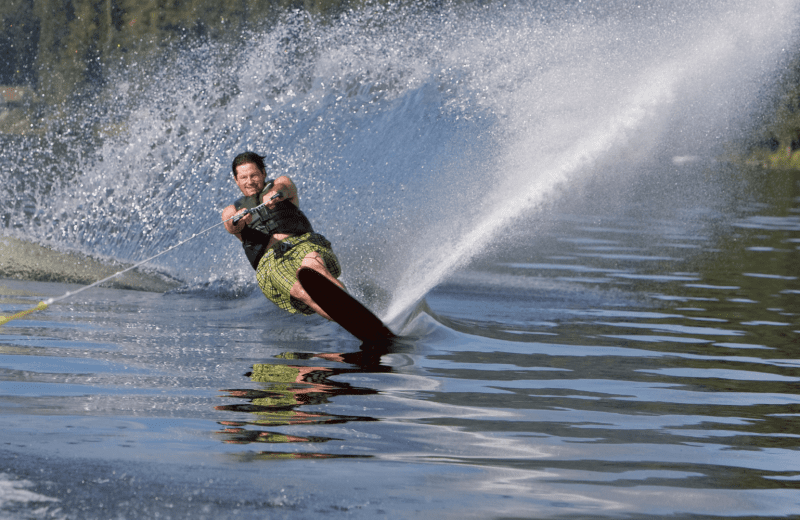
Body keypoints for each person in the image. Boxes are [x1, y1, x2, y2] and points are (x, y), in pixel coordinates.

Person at [221, 151, 344, 320]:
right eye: (243, 177)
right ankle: (347, 319)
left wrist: (275, 194)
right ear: (236, 180)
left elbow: (284, 187)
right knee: (301, 291)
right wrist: (238, 220)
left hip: (302, 243)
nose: (249, 181)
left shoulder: (280, 184)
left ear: (263, 173)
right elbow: (230, 225)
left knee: (315, 268)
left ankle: (352, 308)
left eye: (254, 175)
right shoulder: (231, 210)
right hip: (271, 263)